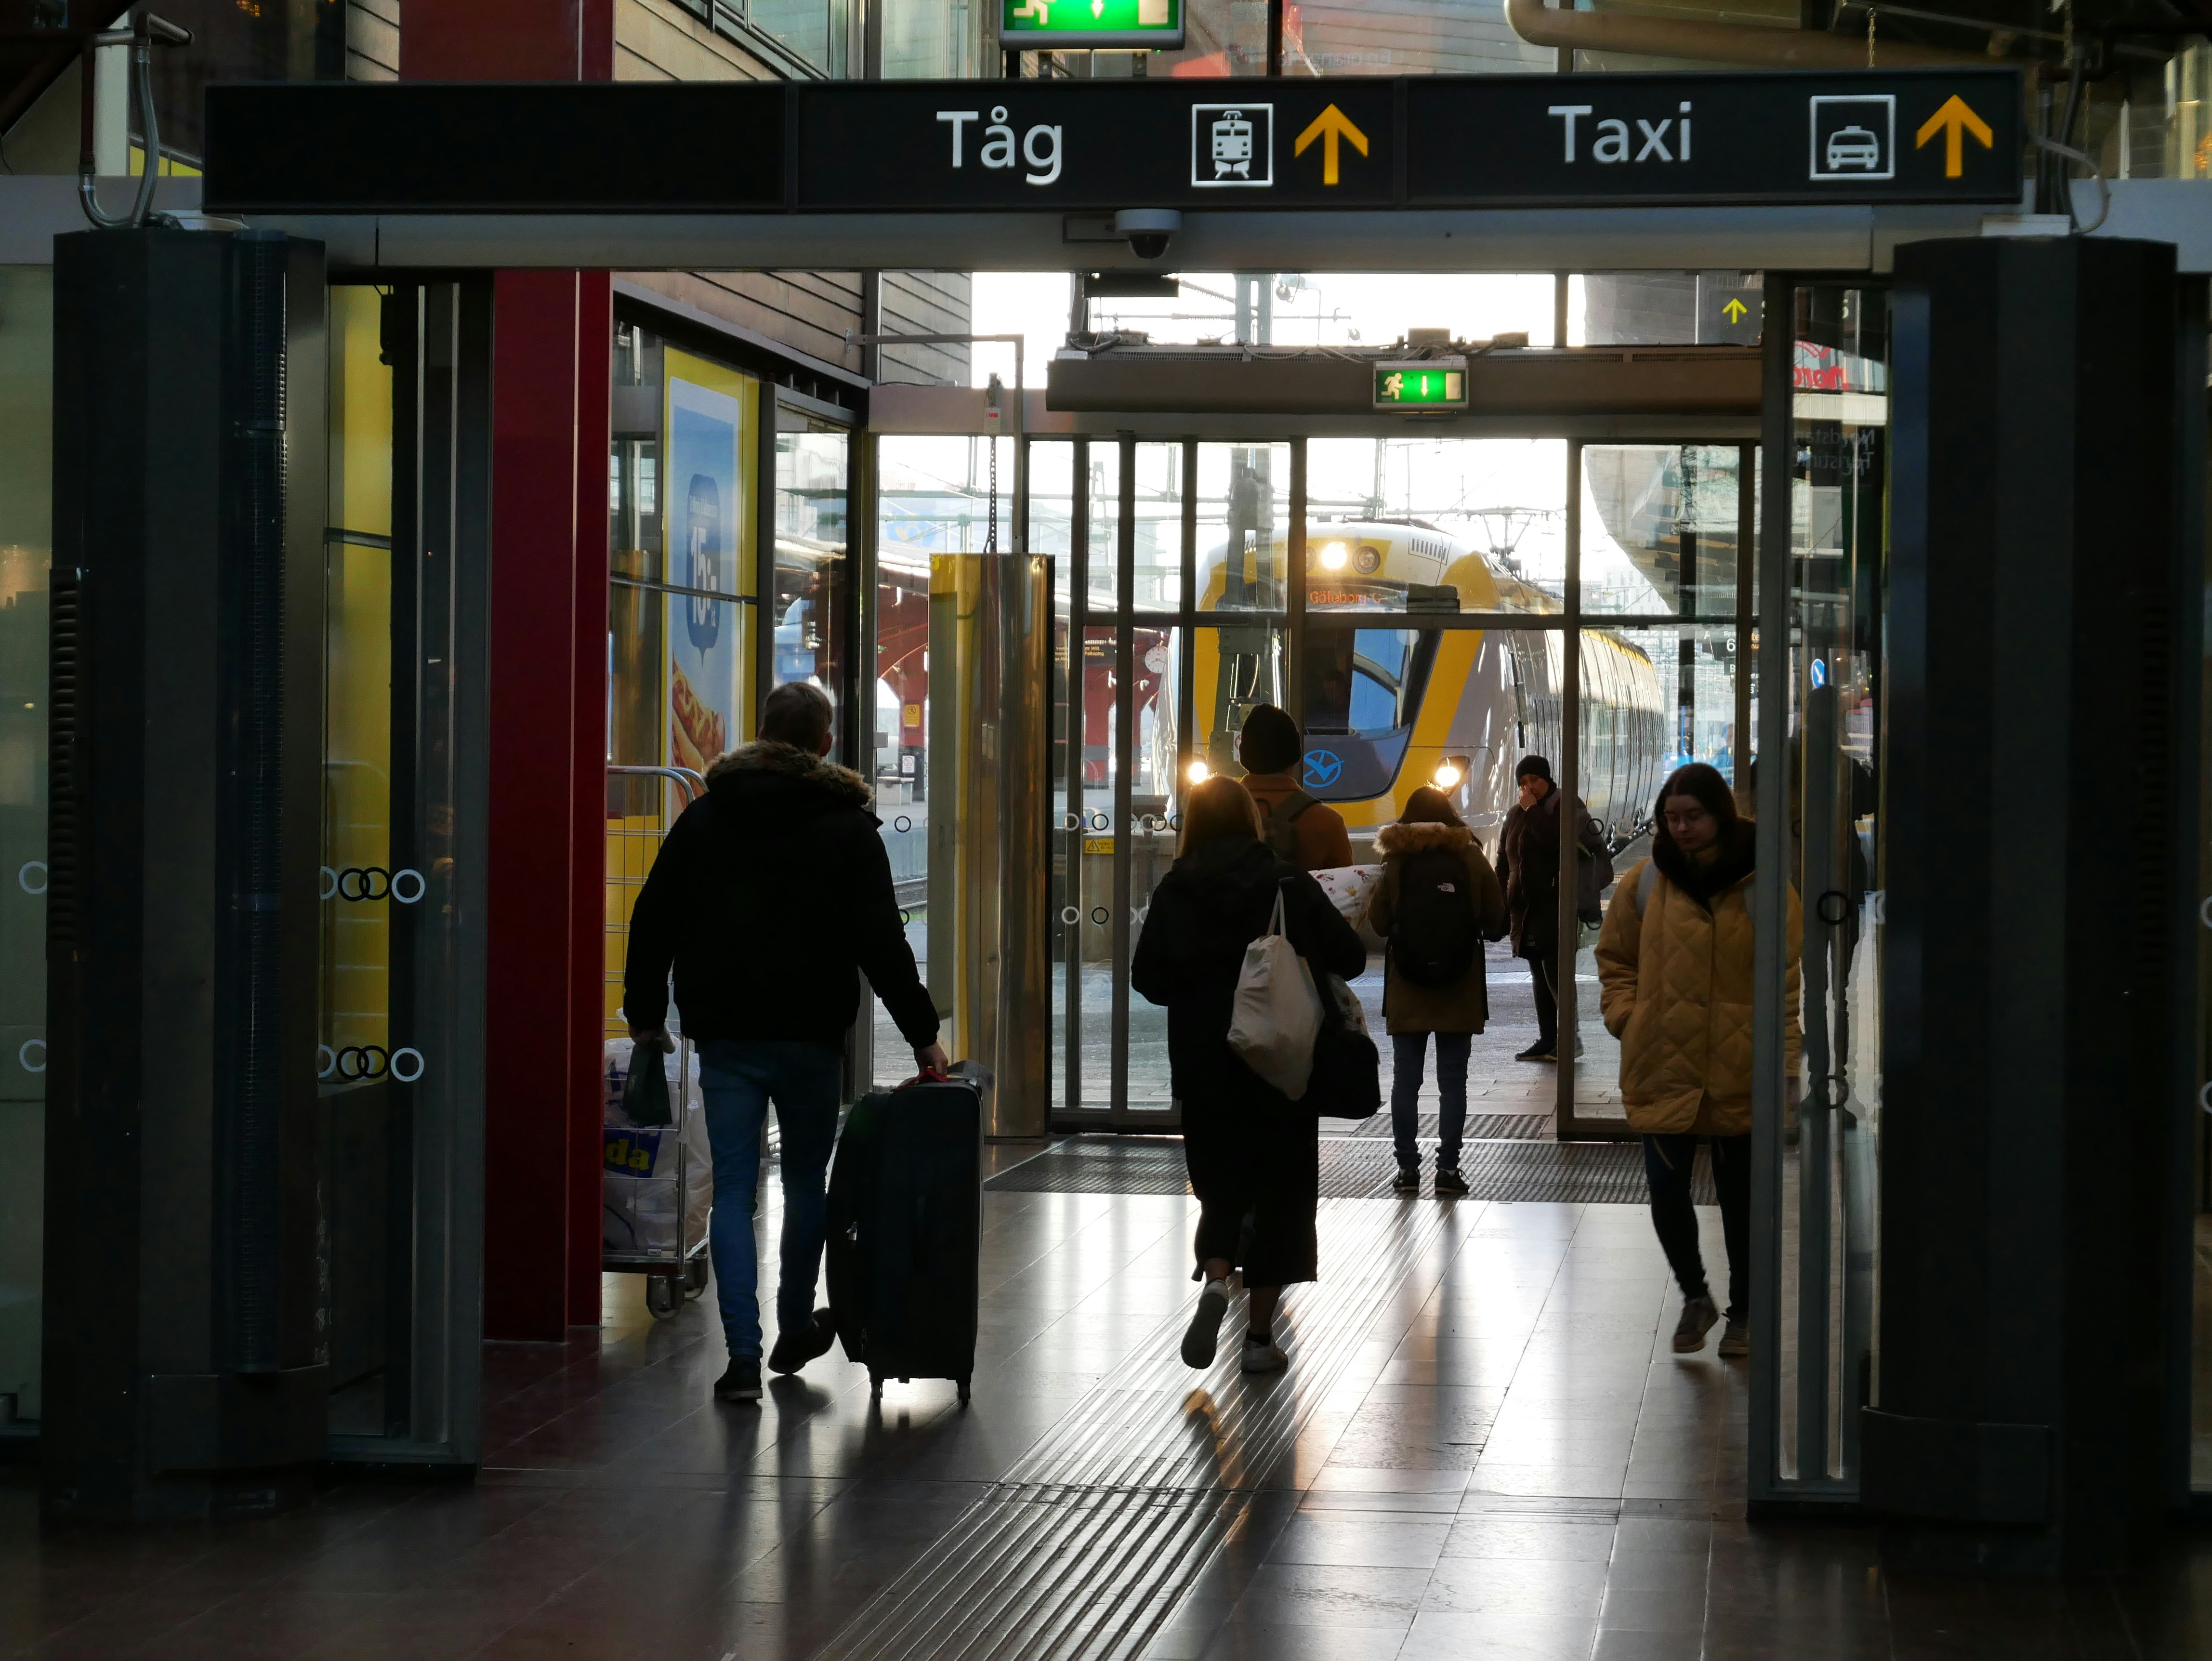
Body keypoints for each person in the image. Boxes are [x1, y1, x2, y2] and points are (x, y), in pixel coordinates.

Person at [625, 681, 949, 1404]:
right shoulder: (846, 827)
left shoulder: (706, 818)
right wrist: (923, 1035)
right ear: (825, 743)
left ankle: (742, 1360)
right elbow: (883, 943)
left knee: (735, 1193)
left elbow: (654, 917)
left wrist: (645, 1014)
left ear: (762, 733)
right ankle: (795, 1326)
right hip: (810, 1036)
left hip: (728, 1034)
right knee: (806, 1185)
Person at [1132, 775, 1365, 1375]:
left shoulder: (1175, 888)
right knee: (1282, 1197)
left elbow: (1147, 979)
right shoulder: (1284, 880)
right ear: (1252, 821)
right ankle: (1259, 1339)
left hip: (1206, 1065)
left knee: (1220, 1188)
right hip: (1281, 1063)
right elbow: (1352, 958)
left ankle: (1214, 1278)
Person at [1595, 761, 1800, 1359]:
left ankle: (1744, 1314)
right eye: (1671, 819)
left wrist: (1787, 1066)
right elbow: (1615, 961)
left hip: (1739, 1063)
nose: (1680, 829)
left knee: (1741, 1202)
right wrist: (1627, 1017)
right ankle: (1695, 1295)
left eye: (1693, 817)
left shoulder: (1764, 884)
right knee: (1663, 1187)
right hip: (1660, 1057)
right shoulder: (1644, 883)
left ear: (1720, 816)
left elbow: (1787, 984)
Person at [1365, 787, 1508, 1197]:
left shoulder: (1396, 860)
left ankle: (1407, 1171)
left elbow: (1377, 922)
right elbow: (1496, 917)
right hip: (1458, 986)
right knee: (1453, 1082)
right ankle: (1448, 1171)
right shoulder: (1470, 856)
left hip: (1408, 987)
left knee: (1405, 1081)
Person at [1494, 755, 1609, 1062]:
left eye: (1534, 780)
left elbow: (1557, 842)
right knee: (1538, 972)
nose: (1528, 788)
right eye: (1522, 783)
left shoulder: (1568, 808)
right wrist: (1503, 895)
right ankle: (1548, 1039)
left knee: (1556, 974)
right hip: (1527, 908)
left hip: (1558, 904)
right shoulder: (1517, 814)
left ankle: (1571, 1039)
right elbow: (1505, 858)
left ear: (1547, 779)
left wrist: (1532, 811)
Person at [1235, 704, 1353, 871]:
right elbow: (1346, 891)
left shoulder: (1214, 817)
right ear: (1296, 754)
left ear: (1242, 753)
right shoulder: (1328, 823)